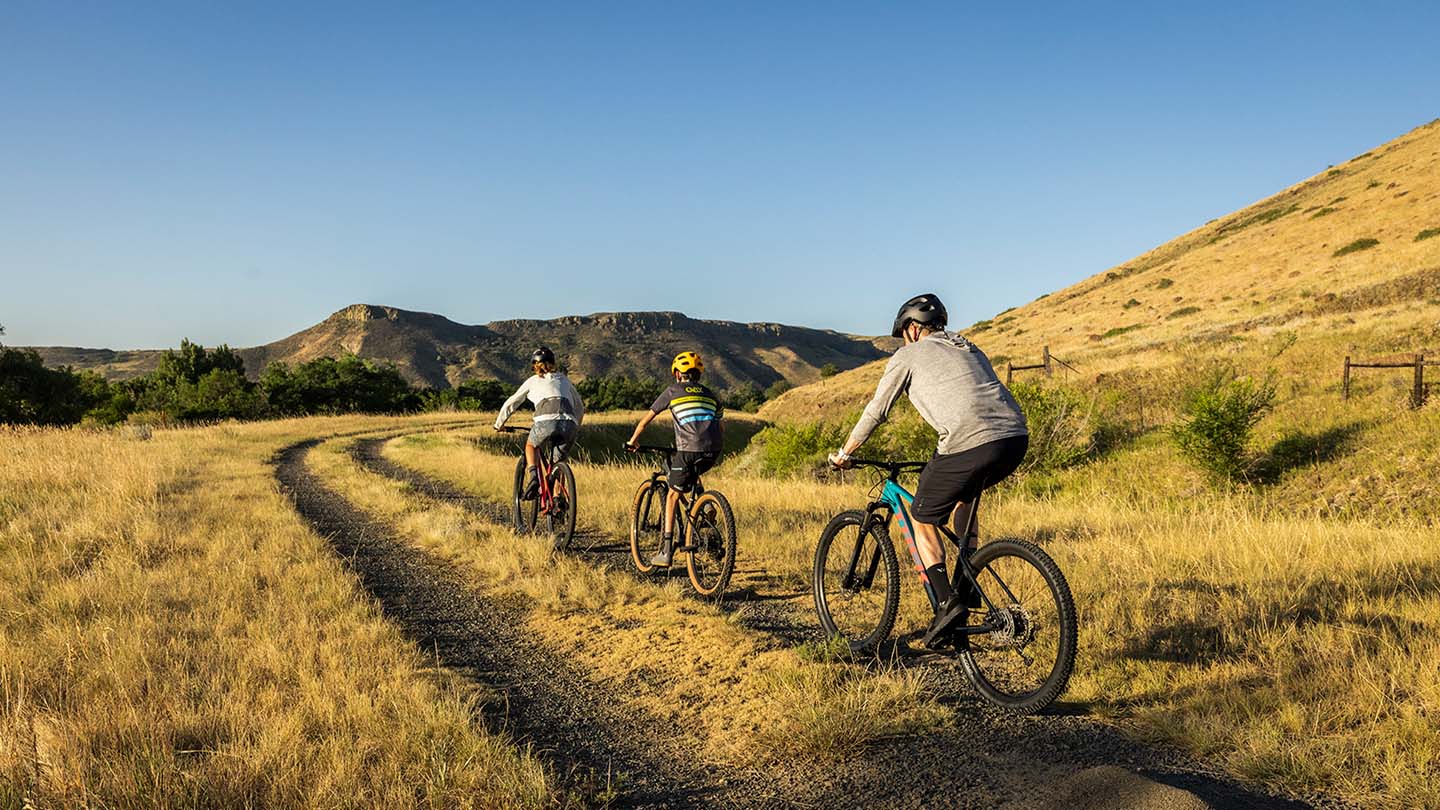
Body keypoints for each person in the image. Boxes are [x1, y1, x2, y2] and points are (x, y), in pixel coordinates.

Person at [829, 293, 1029, 648]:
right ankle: (967, 587)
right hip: (1014, 437)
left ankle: (948, 603)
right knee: (964, 495)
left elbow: (877, 410)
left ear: (911, 329)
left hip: (970, 441)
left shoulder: (907, 355)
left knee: (920, 514)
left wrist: (845, 453)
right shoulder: (969, 346)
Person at [624, 351, 724, 567]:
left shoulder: (672, 391)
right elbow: (720, 425)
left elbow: (646, 420)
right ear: (698, 375)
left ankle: (666, 551)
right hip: (713, 450)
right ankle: (705, 505)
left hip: (688, 449)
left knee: (672, 495)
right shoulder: (711, 395)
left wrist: (633, 441)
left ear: (678, 374)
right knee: (694, 473)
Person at [494, 347, 585, 500]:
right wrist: (576, 425)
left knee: (531, 446)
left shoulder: (532, 381)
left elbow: (513, 402)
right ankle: (557, 498)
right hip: (570, 423)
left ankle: (534, 477)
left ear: (534, 366)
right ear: (553, 364)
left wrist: (499, 424)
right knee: (559, 463)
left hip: (545, 421)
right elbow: (580, 406)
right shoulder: (563, 379)